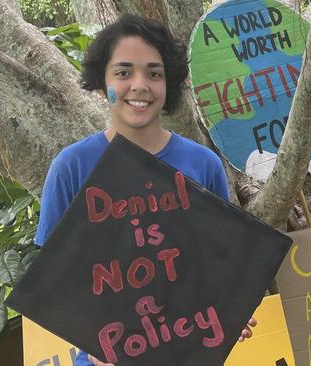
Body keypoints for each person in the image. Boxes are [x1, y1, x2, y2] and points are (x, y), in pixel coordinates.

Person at [34, 14, 255, 366]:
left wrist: (230, 307)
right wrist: (88, 336)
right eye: (123, 73)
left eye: (154, 73)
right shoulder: (71, 167)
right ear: (100, 80)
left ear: (169, 82)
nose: (140, 85)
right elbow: (54, 278)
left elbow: (217, 263)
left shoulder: (204, 164)